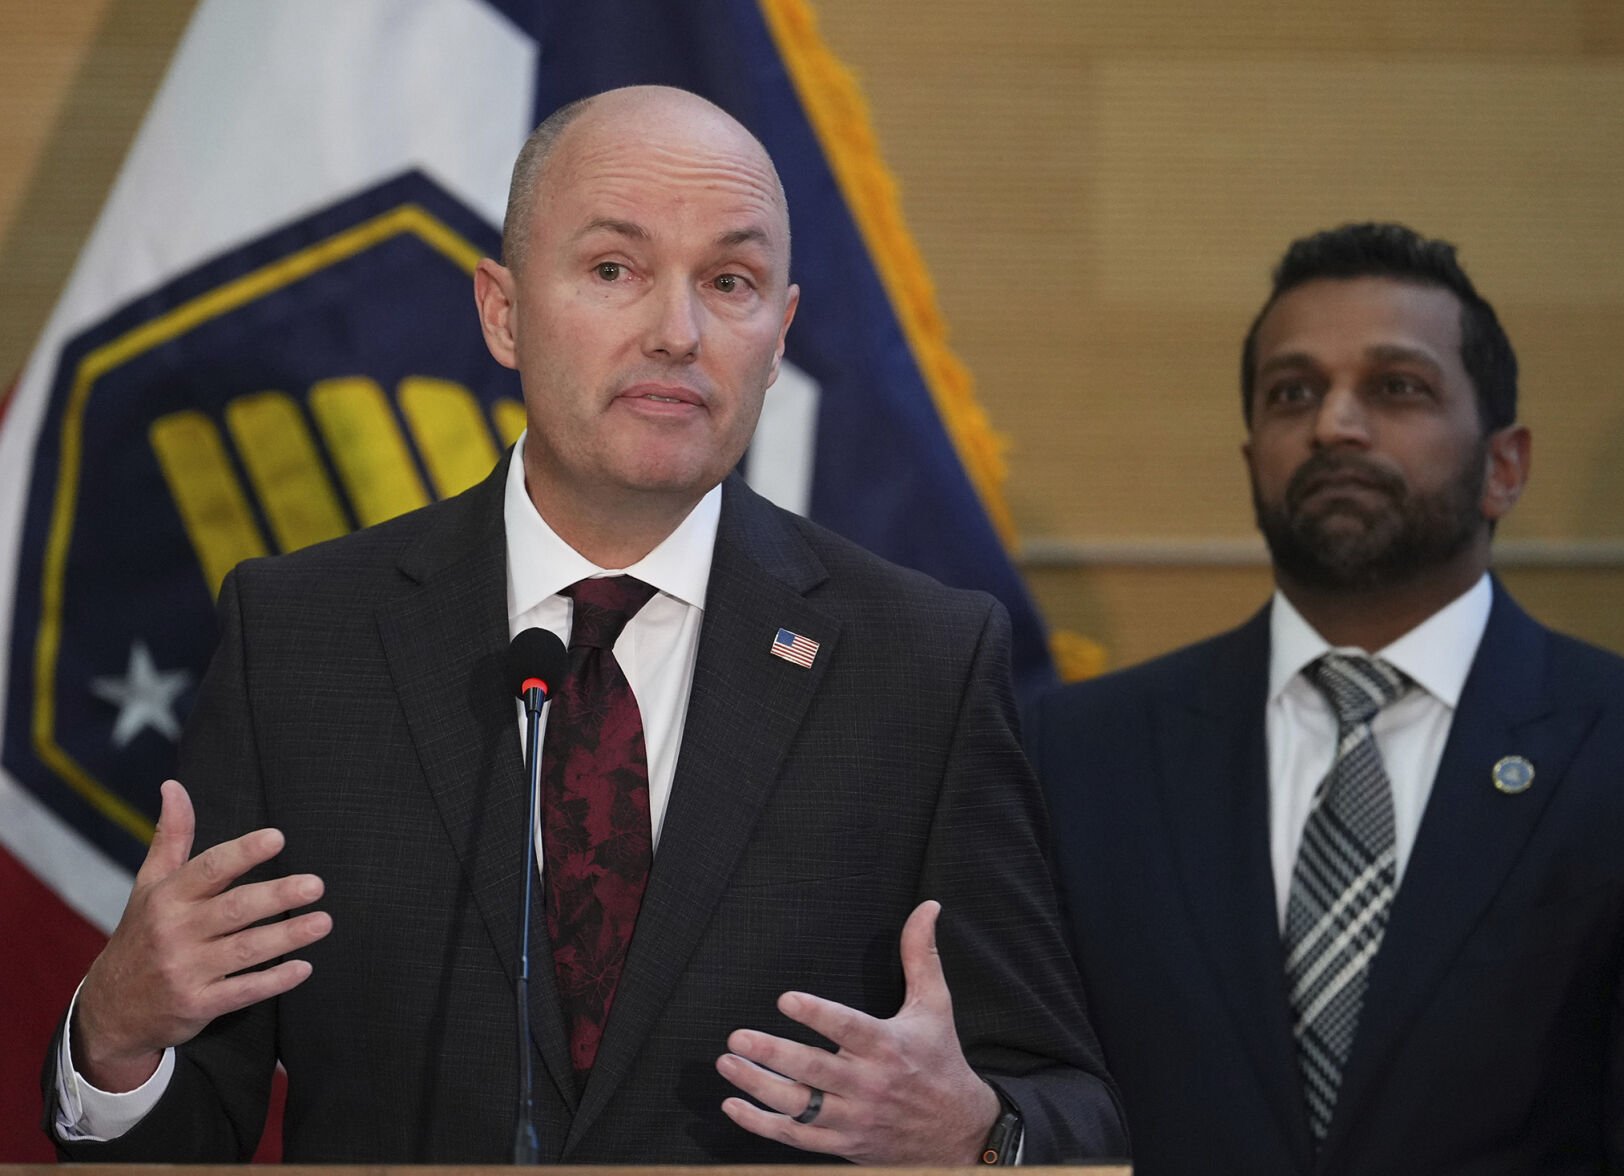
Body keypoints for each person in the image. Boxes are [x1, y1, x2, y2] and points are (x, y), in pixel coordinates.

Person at [45, 86, 1125, 1164]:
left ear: (781, 331)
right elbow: (192, 1135)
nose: (676, 331)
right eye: (614, 270)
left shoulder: (919, 665)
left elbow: (1071, 1102)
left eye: (731, 282)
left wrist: (980, 1137)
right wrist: (115, 1039)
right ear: (502, 312)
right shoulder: (301, 642)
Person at [1027, 222, 1624, 1174]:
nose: (1333, 423)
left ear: (1505, 466)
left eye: (1395, 387)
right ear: (1252, 460)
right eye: (1293, 393)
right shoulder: (1077, 752)